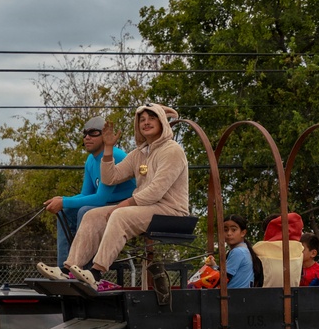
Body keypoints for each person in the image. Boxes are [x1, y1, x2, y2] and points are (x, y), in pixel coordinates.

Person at [36, 103, 189, 290]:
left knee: (119, 215)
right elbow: (111, 178)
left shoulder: (172, 150)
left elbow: (156, 190)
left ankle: (96, 272)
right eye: (142, 119)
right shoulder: (139, 153)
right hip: (146, 208)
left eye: (152, 118)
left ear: (162, 122)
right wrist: (108, 148)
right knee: (92, 215)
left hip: (171, 211)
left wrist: (123, 205)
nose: (146, 123)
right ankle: (69, 270)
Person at [43, 116, 134, 270]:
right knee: (66, 212)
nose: (87, 137)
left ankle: (82, 268)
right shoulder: (91, 160)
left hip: (127, 204)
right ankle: (64, 269)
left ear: (105, 136)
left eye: (93, 133)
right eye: (85, 134)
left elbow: (100, 199)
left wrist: (64, 201)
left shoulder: (115, 156)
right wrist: (62, 200)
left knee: (85, 211)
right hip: (108, 203)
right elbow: (86, 194)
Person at [222, 214, 263, 288]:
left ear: (243, 233)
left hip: (234, 297)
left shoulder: (238, 252)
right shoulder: (244, 250)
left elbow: (223, 278)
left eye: (233, 230)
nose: (229, 233)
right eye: (225, 230)